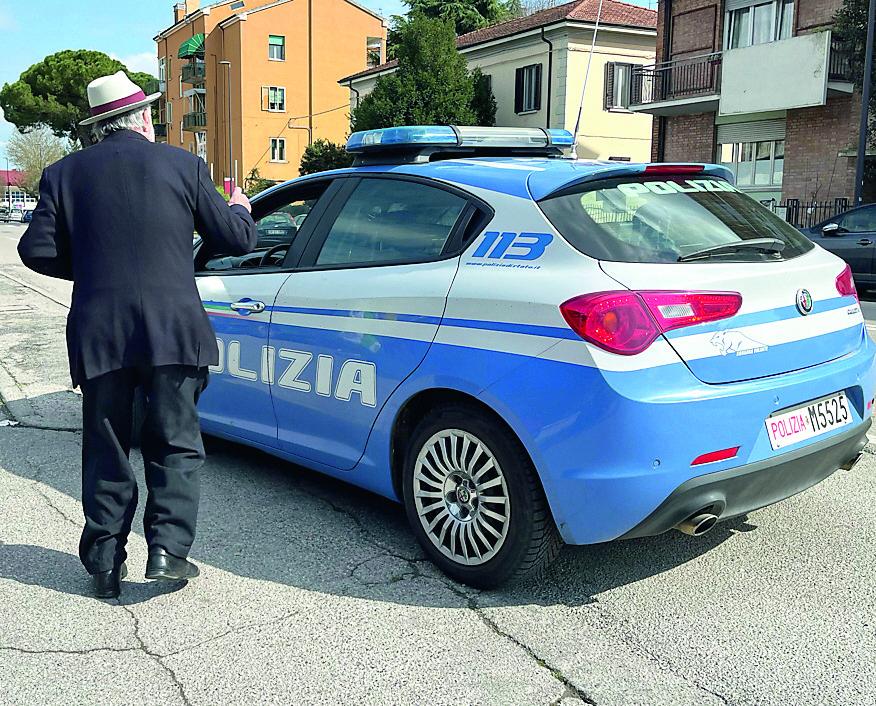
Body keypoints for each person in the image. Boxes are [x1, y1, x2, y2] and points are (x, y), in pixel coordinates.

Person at [18, 71, 257, 599]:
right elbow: (236, 237)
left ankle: (105, 562)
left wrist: (93, 268)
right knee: (174, 443)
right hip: (174, 331)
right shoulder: (184, 165)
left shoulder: (63, 173)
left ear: (99, 126)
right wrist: (238, 204)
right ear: (145, 116)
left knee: (106, 446)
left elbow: (33, 250)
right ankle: (168, 553)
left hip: (100, 333)